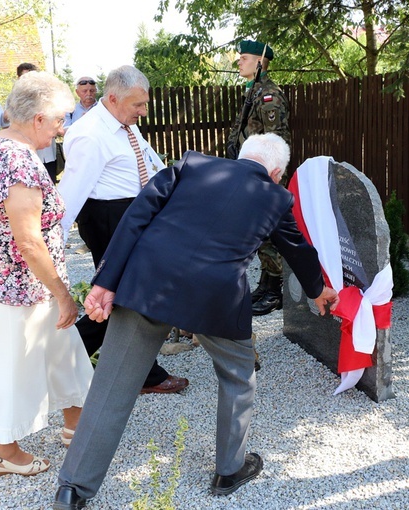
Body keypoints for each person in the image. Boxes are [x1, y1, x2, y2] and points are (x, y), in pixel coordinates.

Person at [52, 133, 339, 509]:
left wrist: (105, 281)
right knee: (238, 375)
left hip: (146, 284)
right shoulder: (276, 196)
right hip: (214, 300)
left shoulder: (191, 165)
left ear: (241, 156)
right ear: (276, 172)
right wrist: (318, 291)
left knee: (111, 387)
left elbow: (135, 218)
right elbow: (296, 248)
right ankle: (229, 469)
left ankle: (73, 488)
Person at [0, 71, 93, 477]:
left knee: (64, 354)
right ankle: (3, 452)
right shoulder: (17, 160)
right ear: (38, 119)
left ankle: (76, 424)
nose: (63, 126)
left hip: (25, 284)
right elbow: (29, 241)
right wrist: (63, 294)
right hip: (15, 288)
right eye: (60, 119)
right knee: (11, 367)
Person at [58, 65, 188, 395]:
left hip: (133, 215)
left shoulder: (124, 123)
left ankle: (73, 361)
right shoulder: (89, 134)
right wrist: (52, 243)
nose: (143, 112)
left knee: (128, 296)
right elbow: (71, 192)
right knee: (118, 296)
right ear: (113, 98)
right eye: (138, 105)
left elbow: (150, 163)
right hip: (108, 220)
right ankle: (63, 360)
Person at [227, 40, 291, 317]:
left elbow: (277, 141)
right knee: (261, 234)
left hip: (266, 177)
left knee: (271, 233)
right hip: (251, 174)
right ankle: (266, 285)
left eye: (244, 58)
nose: (239, 62)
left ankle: (276, 291)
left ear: (260, 62)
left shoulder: (269, 95)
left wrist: (272, 182)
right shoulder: (254, 92)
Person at [15, 63, 59, 183]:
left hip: (48, 154)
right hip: (26, 156)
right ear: (19, 79)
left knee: (49, 188)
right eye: (25, 77)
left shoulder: (49, 96)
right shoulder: (14, 100)